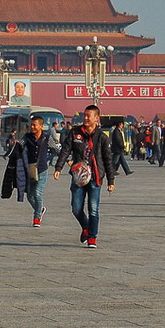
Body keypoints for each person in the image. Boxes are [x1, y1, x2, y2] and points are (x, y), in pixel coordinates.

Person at [53, 104, 115, 248]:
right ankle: (86, 227)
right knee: (76, 208)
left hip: (95, 177)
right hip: (78, 177)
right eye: (85, 115)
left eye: (89, 116)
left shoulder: (102, 137)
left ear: (96, 118)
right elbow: (65, 150)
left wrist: (111, 180)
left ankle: (92, 237)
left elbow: (108, 159)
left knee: (93, 208)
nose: (86, 118)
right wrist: (59, 167)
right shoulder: (75, 133)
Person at [24, 115, 53, 227]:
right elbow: (19, 146)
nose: (32, 127)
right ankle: (40, 209)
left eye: (34, 125)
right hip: (30, 170)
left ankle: (37, 218)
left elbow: (57, 148)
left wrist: (66, 160)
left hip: (42, 170)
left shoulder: (46, 138)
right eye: (31, 124)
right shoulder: (27, 137)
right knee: (30, 196)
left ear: (41, 126)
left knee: (37, 193)